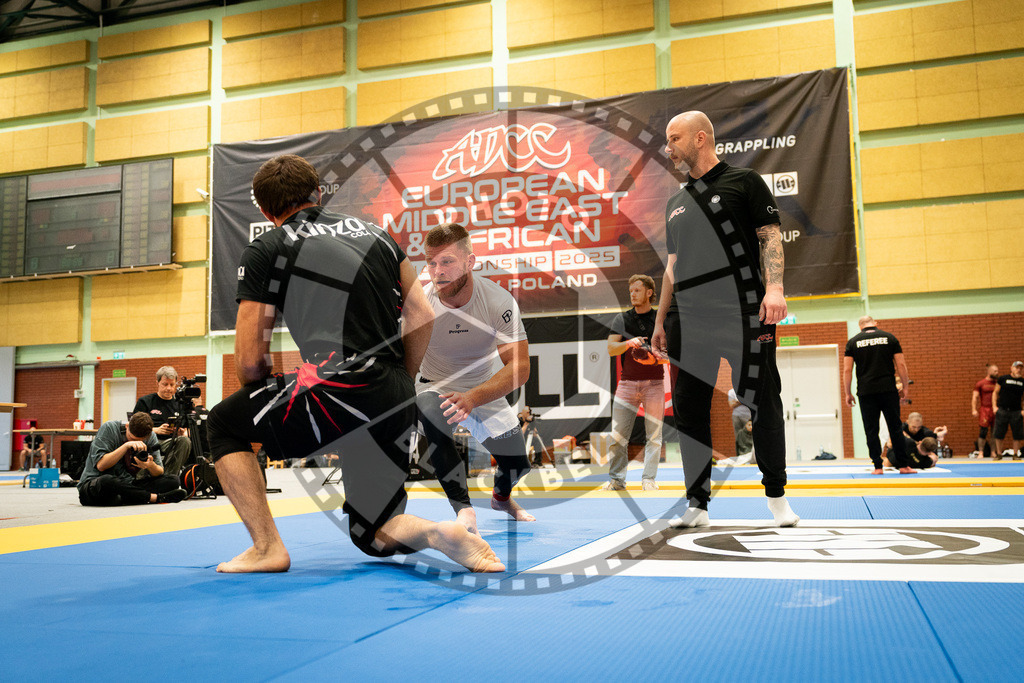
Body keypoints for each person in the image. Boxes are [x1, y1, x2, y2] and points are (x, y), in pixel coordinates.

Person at [204, 155, 503, 574]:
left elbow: (251, 358)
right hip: (393, 389)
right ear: (319, 194)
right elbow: (421, 313)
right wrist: (401, 378)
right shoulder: (378, 236)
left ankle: (267, 547)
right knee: (372, 531)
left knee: (222, 424)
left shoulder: (267, 247)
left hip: (331, 387)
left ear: (266, 211)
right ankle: (439, 533)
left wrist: (262, 405)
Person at [651, 110, 799, 528]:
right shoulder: (676, 203)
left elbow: (770, 236)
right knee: (689, 409)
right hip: (687, 320)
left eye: (674, 138)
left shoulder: (745, 182)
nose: (668, 147)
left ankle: (777, 499)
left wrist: (775, 289)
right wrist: (660, 321)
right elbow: (672, 266)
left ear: (701, 138)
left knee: (762, 401)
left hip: (742, 313)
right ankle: (697, 504)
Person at [415, 222, 534, 535]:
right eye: (431, 262)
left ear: (470, 262)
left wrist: (472, 398)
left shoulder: (497, 301)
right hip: (432, 384)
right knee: (434, 413)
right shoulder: (419, 301)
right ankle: (463, 509)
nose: (437, 270)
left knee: (518, 465)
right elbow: (401, 357)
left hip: (481, 387)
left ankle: (502, 499)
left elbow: (520, 367)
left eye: (447, 261)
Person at [604, 274, 666, 492]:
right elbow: (611, 349)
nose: (633, 294)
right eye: (631, 291)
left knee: (654, 437)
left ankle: (648, 479)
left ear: (649, 292)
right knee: (618, 437)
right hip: (627, 384)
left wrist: (656, 356)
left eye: (637, 290)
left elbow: (671, 352)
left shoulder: (660, 319)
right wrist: (628, 343)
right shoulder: (622, 319)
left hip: (655, 384)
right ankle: (616, 481)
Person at [843, 316, 915, 474]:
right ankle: (903, 465)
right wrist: (905, 386)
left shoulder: (853, 342)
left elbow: (848, 370)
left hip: (866, 392)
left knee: (871, 429)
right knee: (895, 428)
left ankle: (877, 466)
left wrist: (847, 393)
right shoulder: (889, 338)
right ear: (875, 324)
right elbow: (901, 364)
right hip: (888, 390)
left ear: (860, 326)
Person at [77, 412, 186, 506]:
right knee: (107, 481)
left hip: (127, 484)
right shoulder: (109, 428)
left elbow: (159, 471)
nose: (136, 442)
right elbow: (101, 466)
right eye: (132, 438)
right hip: (95, 485)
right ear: (127, 426)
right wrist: (126, 446)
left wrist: (150, 466)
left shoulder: (151, 436)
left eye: (141, 440)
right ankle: (155, 498)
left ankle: (131, 496)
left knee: (173, 481)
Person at [133, 366, 191, 476]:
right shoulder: (145, 401)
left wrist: (182, 433)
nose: (169, 388)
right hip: (150, 440)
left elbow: (188, 430)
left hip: (171, 441)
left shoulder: (180, 405)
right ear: (158, 383)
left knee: (185, 441)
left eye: (172, 385)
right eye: (165, 384)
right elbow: (134, 429)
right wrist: (156, 430)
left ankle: (168, 478)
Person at [992, 360, 1024, 460]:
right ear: (1012, 368)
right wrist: (994, 407)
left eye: (1021, 368)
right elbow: (995, 393)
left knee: (1017, 434)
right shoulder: (1003, 379)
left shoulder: (1022, 382)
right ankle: (999, 454)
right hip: (1002, 410)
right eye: (1017, 367)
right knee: (999, 433)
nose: (1019, 370)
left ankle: (1015, 454)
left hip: (1017, 411)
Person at [972, 363, 999, 457]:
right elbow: (975, 397)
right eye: (995, 371)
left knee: (994, 432)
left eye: (997, 371)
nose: (997, 373)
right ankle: (981, 452)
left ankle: (993, 452)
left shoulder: (998, 383)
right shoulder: (981, 383)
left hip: (995, 409)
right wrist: (974, 409)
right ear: (990, 371)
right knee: (983, 431)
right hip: (985, 409)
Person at [727, 387, 752, 458]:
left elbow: (751, 401)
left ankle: (751, 455)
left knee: (750, 436)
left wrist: (737, 401)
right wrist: (742, 400)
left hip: (748, 416)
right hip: (736, 416)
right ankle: (739, 455)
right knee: (738, 437)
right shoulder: (731, 391)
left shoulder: (748, 390)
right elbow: (731, 404)